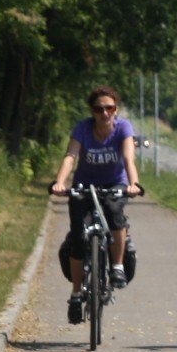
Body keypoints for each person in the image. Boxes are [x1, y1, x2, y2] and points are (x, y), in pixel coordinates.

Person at [50, 86, 143, 325]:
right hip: (84, 185)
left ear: (116, 110)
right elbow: (70, 156)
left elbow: (128, 158)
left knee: (114, 214)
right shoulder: (83, 128)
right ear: (92, 111)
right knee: (79, 238)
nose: (104, 113)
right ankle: (76, 294)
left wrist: (134, 184)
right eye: (99, 109)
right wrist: (60, 182)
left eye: (109, 108)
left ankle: (118, 266)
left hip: (115, 184)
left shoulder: (123, 128)